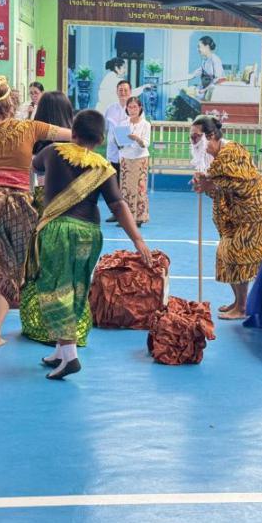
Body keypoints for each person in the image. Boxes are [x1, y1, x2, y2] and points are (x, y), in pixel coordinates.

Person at [24, 109, 152, 379]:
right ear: (101, 139)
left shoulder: (53, 152)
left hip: (59, 231)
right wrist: (138, 239)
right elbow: (118, 205)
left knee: (55, 289)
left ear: (73, 132)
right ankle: (60, 351)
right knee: (77, 287)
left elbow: (34, 166)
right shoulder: (103, 167)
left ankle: (70, 355)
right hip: (89, 235)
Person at [0, 60, 73, 348]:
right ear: (9, 102)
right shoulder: (29, 128)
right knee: (8, 266)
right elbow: (70, 135)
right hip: (17, 205)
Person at [191, 116, 262, 320]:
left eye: (196, 137)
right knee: (225, 252)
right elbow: (217, 186)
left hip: (255, 210)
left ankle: (243, 307)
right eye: (191, 137)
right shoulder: (210, 156)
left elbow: (240, 183)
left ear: (211, 135)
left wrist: (210, 183)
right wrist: (204, 182)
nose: (192, 141)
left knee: (237, 253)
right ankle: (238, 301)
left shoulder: (232, 151)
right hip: (236, 212)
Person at [119, 96, 150, 227]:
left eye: (135, 107)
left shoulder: (145, 124)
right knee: (125, 188)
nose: (132, 110)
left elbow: (146, 144)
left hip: (140, 158)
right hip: (126, 158)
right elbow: (120, 143)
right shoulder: (123, 124)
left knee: (139, 187)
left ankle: (139, 217)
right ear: (127, 109)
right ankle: (125, 218)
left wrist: (137, 139)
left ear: (140, 108)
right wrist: (120, 141)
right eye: (130, 107)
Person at [103, 80, 132, 219]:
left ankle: (128, 213)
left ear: (130, 92)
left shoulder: (134, 108)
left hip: (128, 153)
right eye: (120, 90)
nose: (123, 92)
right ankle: (115, 213)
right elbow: (106, 128)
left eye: (126, 90)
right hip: (113, 153)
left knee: (126, 183)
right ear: (116, 91)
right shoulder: (110, 109)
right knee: (113, 184)